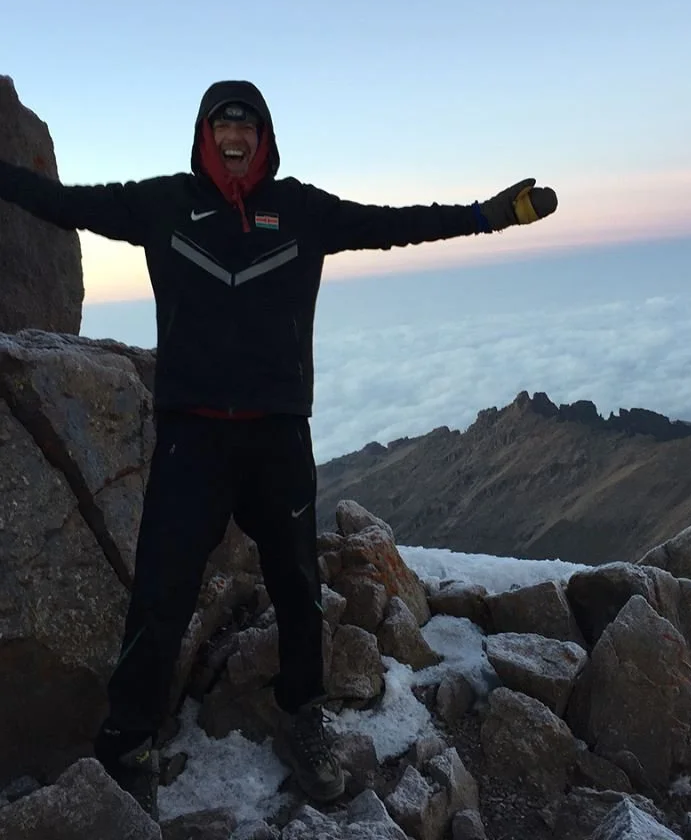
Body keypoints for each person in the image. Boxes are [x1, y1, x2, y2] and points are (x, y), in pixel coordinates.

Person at [0, 79, 558, 819]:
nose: (234, 133)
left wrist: (489, 215)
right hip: (191, 437)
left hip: (276, 433)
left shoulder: (302, 209)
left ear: (263, 136)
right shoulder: (163, 204)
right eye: (221, 122)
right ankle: (127, 739)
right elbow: (65, 202)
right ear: (203, 134)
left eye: (246, 123)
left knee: (296, 585)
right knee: (160, 591)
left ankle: (305, 716)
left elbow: (394, 224)